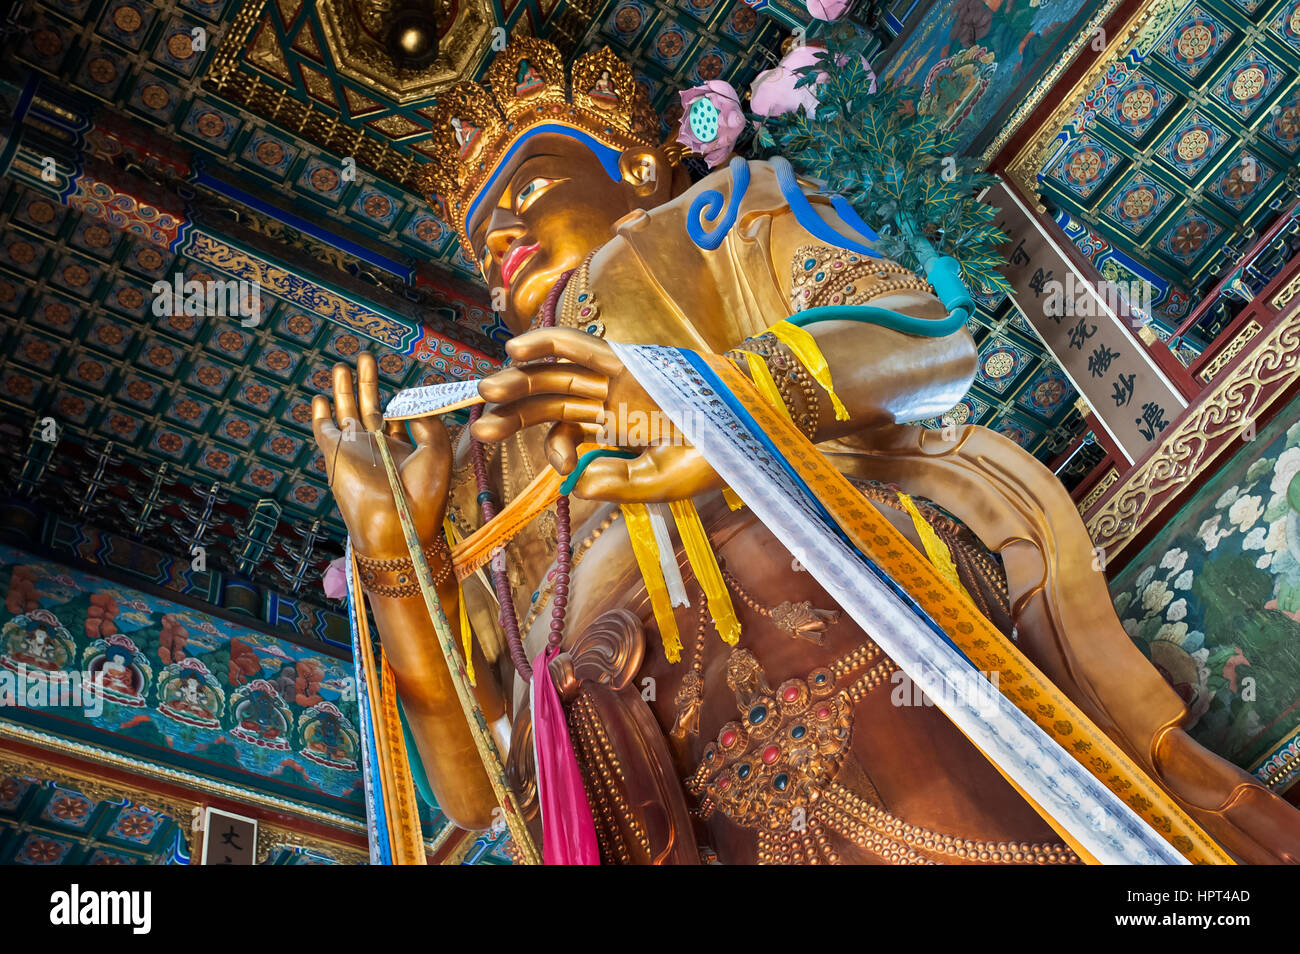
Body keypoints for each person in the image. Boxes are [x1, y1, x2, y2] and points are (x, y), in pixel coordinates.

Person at [312, 38, 1300, 863]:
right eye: (482, 232)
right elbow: (476, 791)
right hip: (624, 768)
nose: (503, 235)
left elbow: (921, 337)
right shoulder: (487, 458)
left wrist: (699, 411)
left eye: (527, 190)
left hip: (796, 610)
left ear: (642, 168)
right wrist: (396, 558)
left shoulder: (718, 220)